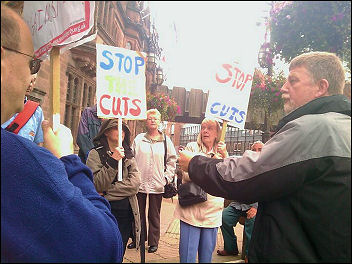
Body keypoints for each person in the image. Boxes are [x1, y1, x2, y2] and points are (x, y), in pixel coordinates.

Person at [178, 51, 351, 262]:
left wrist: (194, 163)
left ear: (321, 87)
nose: (283, 88)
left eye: (293, 80)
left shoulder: (314, 128)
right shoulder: (341, 127)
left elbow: (244, 176)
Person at [1, 4, 123, 262]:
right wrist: (67, 159)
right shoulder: (17, 159)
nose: (31, 77)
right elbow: (105, 246)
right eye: (32, 63)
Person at [174, 117, 227, 263]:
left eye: (210, 128)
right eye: (203, 127)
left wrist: (224, 157)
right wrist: (210, 166)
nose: (205, 131)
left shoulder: (222, 152)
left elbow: (228, 177)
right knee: (187, 257)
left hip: (212, 212)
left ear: (217, 133)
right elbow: (185, 173)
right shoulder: (192, 148)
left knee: (206, 258)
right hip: (191, 210)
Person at [86, 118, 141, 256]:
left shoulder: (128, 155)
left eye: (124, 129)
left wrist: (106, 191)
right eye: (117, 127)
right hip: (105, 210)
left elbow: (135, 184)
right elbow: (96, 184)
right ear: (106, 132)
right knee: (103, 251)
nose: (121, 131)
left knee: (119, 251)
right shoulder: (95, 154)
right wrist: (113, 161)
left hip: (126, 212)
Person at [132, 109, 177, 253]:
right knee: (137, 213)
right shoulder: (138, 139)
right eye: (150, 118)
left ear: (159, 122)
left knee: (154, 214)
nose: (152, 120)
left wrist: (166, 178)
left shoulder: (166, 141)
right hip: (139, 183)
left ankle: (153, 241)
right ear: (146, 121)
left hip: (157, 184)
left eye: (155, 119)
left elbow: (172, 160)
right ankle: (138, 238)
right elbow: (131, 158)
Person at [217, 141, 264, 262]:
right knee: (224, 217)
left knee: (252, 222)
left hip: (257, 206)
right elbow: (232, 168)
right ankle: (231, 248)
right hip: (239, 204)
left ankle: (249, 254)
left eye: (260, 149)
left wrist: (256, 207)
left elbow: (268, 191)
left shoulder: (267, 167)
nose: (257, 152)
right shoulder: (245, 164)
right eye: (255, 149)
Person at [2, 73, 44, 146]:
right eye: (29, 80)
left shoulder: (36, 111)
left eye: (33, 81)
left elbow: (38, 144)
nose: (30, 84)